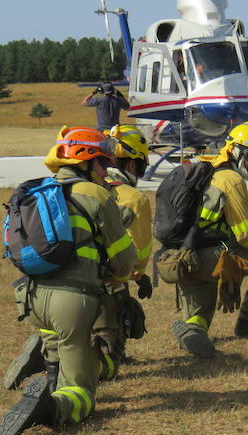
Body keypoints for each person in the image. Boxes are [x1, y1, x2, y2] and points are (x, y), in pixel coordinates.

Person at [0, 126, 136, 435]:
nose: (106, 171)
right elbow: (123, 260)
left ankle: (49, 384)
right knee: (82, 391)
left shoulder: (37, 190)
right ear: (86, 162)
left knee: (55, 349)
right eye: (103, 163)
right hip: (72, 302)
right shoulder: (97, 194)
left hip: (31, 296)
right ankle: (54, 408)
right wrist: (119, 276)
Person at [159, 121, 248, 358]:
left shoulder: (206, 169)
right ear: (235, 150)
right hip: (209, 259)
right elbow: (247, 234)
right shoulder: (231, 180)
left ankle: (192, 330)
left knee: (200, 316)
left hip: (181, 259)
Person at [91, 124, 154, 380]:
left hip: (65, 280)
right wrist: (138, 274)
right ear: (131, 166)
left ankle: (51, 352)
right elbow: (136, 256)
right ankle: (104, 358)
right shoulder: (132, 197)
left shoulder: (79, 187)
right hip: (107, 283)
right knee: (108, 364)